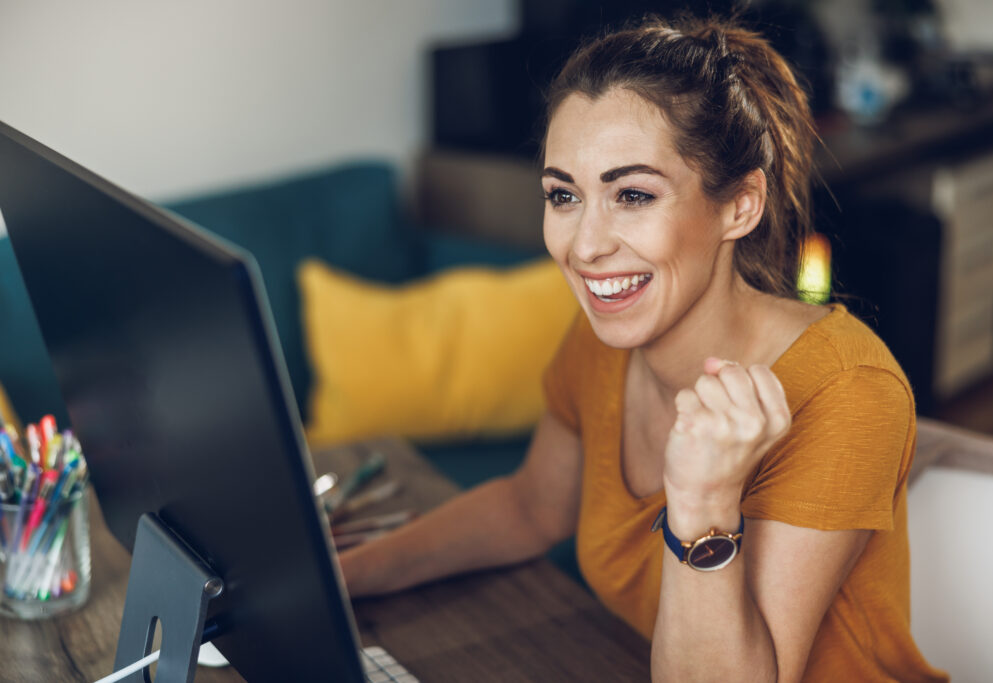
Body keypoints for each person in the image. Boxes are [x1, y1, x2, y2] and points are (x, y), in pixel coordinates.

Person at [340, 15, 947, 682]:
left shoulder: (848, 392)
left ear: (740, 206)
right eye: (563, 195)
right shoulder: (605, 337)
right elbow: (528, 506)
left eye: (632, 194)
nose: (586, 245)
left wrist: (705, 502)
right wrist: (344, 576)